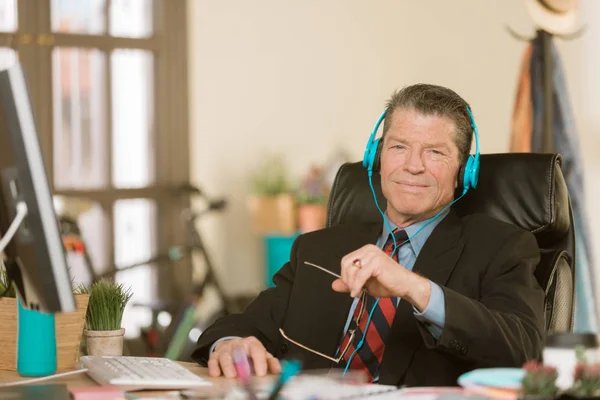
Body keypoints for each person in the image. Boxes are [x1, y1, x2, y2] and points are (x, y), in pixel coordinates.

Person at [191, 84, 545, 387]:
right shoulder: (318, 247)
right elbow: (245, 322)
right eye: (399, 147)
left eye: (435, 152)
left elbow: (523, 350)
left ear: (464, 172)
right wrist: (230, 342)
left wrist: (413, 287)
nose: (413, 165)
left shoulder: (501, 248)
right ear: (376, 157)